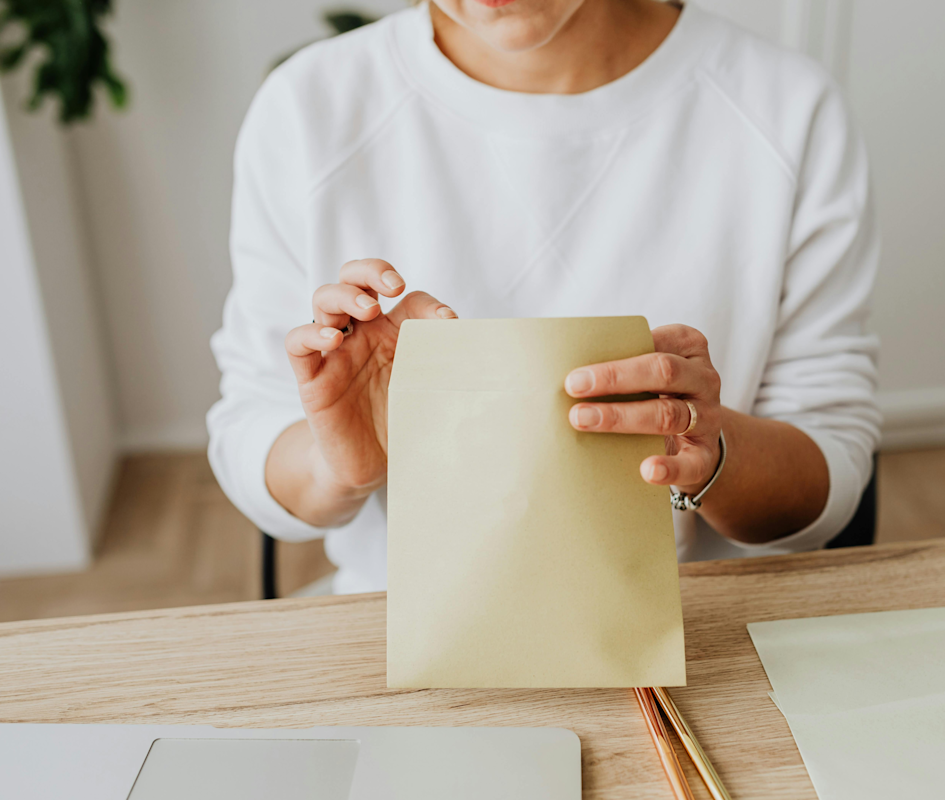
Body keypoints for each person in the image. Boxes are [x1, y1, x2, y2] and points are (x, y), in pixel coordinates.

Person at [208, 0, 880, 594]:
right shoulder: (308, 107)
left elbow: (832, 469)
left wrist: (716, 451)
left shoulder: (786, 110)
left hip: (704, 639)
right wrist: (338, 463)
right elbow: (251, 430)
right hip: (407, 638)